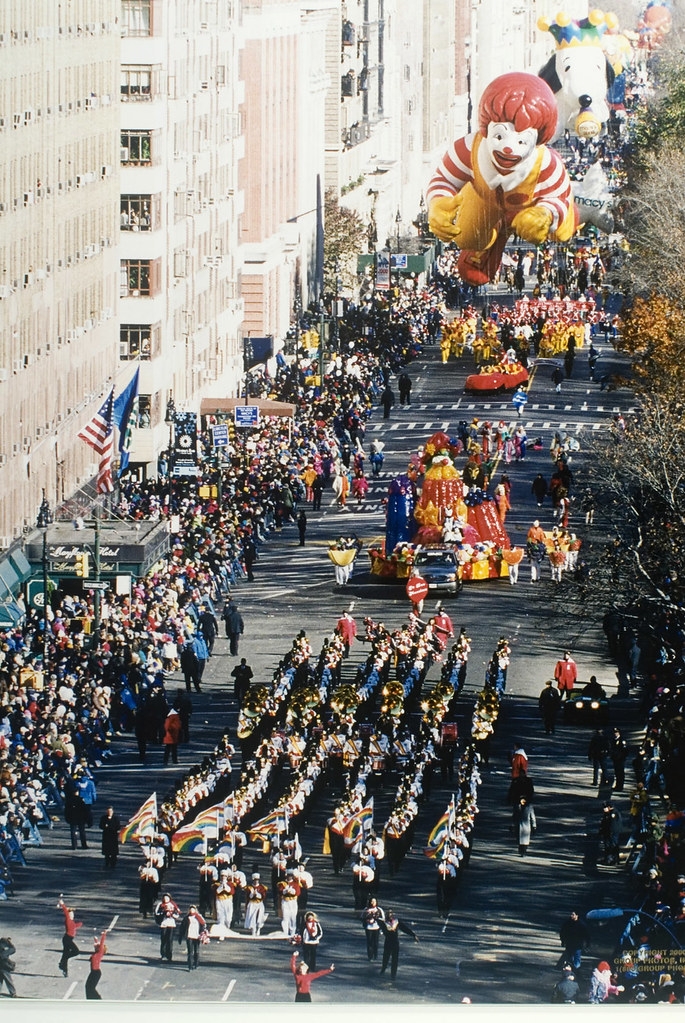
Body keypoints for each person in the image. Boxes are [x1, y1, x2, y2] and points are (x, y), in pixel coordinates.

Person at [379, 911, 418, 980]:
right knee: (386, 957)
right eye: (388, 914)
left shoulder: (396, 922)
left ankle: (393, 975)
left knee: (395, 959)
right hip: (388, 942)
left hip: (395, 943)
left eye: (391, 914)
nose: (389, 915)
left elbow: (404, 928)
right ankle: (383, 969)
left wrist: (413, 935)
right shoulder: (383, 923)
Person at [57, 896, 83, 977]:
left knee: (65, 954)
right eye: (71, 914)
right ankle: (63, 963)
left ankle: (64, 969)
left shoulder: (72, 923)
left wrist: (81, 923)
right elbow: (65, 912)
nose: (72, 915)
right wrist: (62, 904)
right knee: (76, 951)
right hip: (67, 939)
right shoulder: (68, 920)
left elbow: (76, 926)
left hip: (67, 938)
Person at [178, 905, 207, 971]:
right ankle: (190, 966)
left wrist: (202, 933)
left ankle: (196, 963)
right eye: (191, 909)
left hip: (197, 936)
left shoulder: (199, 917)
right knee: (190, 952)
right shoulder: (186, 918)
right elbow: (182, 928)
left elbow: (203, 925)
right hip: (189, 936)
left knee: (196, 951)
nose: (192, 911)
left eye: (193, 909)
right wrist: (180, 937)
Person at [155, 893, 181, 962]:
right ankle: (163, 954)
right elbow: (156, 913)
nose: (166, 899)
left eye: (167, 898)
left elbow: (177, 914)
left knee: (170, 940)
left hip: (171, 924)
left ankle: (169, 955)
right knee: (163, 939)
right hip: (163, 924)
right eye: (164, 898)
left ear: (170, 898)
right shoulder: (160, 905)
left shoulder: (173, 905)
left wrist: (171, 914)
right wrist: (164, 913)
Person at [361, 897, 385, 962]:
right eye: (372, 901)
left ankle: (375, 955)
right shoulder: (366, 909)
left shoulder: (379, 909)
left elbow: (383, 919)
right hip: (369, 928)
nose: (373, 903)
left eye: (374, 901)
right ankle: (370, 956)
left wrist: (377, 920)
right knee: (369, 942)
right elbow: (362, 917)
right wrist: (367, 920)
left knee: (375, 942)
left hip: (376, 928)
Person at [85, 931, 107, 999]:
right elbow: (97, 945)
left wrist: (104, 935)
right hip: (93, 972)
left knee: (90, 987)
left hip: (96, 973)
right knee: (88, 986)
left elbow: (101, 944)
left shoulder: (100, 953)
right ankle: (90, 999)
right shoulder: (96, 953)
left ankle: (98, 999)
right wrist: (96, 939)